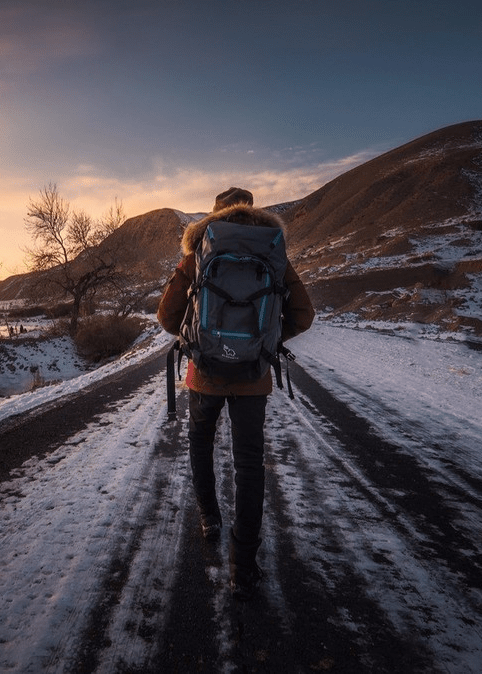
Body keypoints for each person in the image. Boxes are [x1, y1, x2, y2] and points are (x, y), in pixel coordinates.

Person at [157, 186, 314, 600]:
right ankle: (243, 564)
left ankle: (210, 518)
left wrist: (198, 342)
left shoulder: (199, 251)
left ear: (215, 215)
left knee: (200, 444)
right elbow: (304, 314)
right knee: (248, 463)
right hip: (253, 376)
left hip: (205, 373)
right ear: (253, 210)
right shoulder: (272, 251)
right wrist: (265, 342)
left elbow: (166, 315)